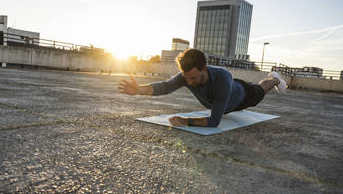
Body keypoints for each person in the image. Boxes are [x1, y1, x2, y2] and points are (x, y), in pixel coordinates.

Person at [118, 49, 286, 128]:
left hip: (243, 95)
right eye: (186, 77)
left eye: (194, 78)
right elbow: (165, 87)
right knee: (226, 106)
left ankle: (274, 79)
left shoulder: (222, 78)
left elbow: (214, 122)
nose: (189, 82)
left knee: (260, 90)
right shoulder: (186, 76)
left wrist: (186, 121)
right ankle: (272, 80)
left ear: (204, 69)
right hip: (225, 104)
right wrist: (139, 90)